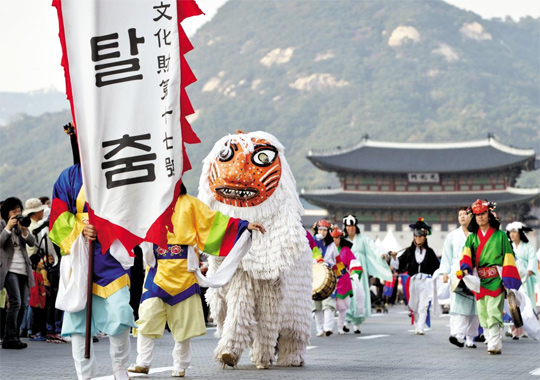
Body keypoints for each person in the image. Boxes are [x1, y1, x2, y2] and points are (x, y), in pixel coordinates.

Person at [128, 184, 265, 377]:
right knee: (147, 318)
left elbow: (214, 222)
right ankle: (142, 362)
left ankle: (181, 365)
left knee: (184, 326)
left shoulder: (191, 204)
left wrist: (243, 225)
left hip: (184, 272)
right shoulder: (151, 204)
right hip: (157, 273)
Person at [49, 164, 136, 380]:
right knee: (78, 320)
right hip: (79, 252)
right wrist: (80, 228)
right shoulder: (68, 176)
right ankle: (85, 375)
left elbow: (132, 207)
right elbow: (57, 217)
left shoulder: (118, 170)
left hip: (111, 251)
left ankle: (119, 367)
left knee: (120, 311)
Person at [460, 199, 521, 355]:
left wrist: (508, 279)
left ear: (489, 215)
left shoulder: (501, 236)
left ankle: (494, 344)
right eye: (477, 214)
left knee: (494, 310)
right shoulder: (472, 238)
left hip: (496, 278)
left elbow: (508, 256)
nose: (480, 217)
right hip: (479, 280)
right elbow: (466, 255)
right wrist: (465, 269)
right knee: (483, 312)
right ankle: (491, 338)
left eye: (483, 213)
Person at [342, 215, 392, 333]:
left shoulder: (363, 239)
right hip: (347, 268)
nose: (351, 229)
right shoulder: (343, 239)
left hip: (360, 270)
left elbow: (374, 247)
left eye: (353, 226)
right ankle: (345, 321)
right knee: (347, 293)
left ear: (356, 227)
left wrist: (382, 254)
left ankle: (357, 323)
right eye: (348, 226)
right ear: (345, 227)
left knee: (359, 292)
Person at [390, 218, 440, 335]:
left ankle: (420, 326)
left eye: (420, 236)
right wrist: (393, 257)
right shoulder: (409, 251)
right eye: (416, 236)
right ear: (413, 237)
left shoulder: (430, 252)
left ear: (425, 237)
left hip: (426, 281)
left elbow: (437, 267)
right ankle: (417, 322)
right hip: (413, 281)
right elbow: (399, 265)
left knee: (424, 304)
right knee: (414, 304)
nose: (418, 239)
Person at [439, 207, 479, 348]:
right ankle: (457, 334)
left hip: (473, 272)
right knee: (458, 303)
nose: (462, 217)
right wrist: (445, 272)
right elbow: (447, 255)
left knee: (474, 304)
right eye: (459, 215)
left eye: (464, 214)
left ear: (471, 217)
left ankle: (470, 337)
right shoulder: (453, 235)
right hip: (457, 272)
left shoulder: (476, 234)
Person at [0, 197, 35, 349]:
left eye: (19, 211)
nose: (17, 213)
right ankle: (9, 337)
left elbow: (32, 242)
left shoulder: (22, 226)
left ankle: (15, 336)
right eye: (14, 211)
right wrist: (8, 227)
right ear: (7, 213)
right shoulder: (2, 225)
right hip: (10, 270)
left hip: (24, 270)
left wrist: (24, 230)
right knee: (16, 302)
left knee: (22, 305)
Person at [505, 221, 537, 338]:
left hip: (525, 277)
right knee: (512, 301)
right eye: (510, 232)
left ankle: (525, 327)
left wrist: (529, 270)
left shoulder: (528, 246)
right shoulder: (508, 245)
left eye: (514, 232)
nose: (512, 234)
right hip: (513, 275)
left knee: (525, 301)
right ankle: (512, 327)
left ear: (519, 233)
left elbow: (532, 260)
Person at [330, 228, 362, 335]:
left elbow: (353, 262)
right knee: (329, 305)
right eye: (333, 237)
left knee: (343, 307)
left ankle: (340, 327)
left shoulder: (346, 250)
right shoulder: (328, 249)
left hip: (344, 280)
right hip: (331, 280)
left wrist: (354, 273)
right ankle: (327, 328)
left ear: (341, 238)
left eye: (337, 237)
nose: (335, 240)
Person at [311, 220, 339, 337]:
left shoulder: (331, 245)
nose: (322, 232)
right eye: (320, 229)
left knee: (328, 304)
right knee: (316, 305)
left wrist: (342, 274)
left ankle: (328, 327)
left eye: (324, 230)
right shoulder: (312, 243)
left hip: (329, 274)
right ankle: (319, 329)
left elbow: (337, 261)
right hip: (315, 275)